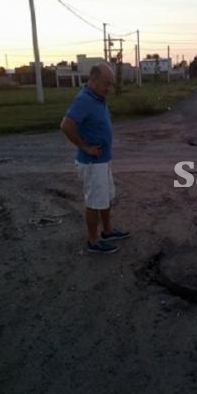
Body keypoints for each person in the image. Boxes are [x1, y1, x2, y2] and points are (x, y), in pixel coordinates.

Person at [60, 62, 130, 253]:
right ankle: (93, 240)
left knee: (105, 197)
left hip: (103, 160)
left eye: (110, 84)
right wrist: (85, 147)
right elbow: (66, 125)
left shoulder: (97, 97)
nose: (109, 88)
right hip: (92, 162)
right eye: (106, 83)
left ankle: (107, 231)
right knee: (94, 202)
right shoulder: (84, 99)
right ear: (93, 80)